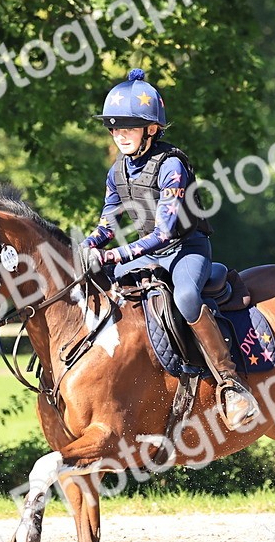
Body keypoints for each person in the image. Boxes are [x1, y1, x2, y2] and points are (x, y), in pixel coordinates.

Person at [80, 69, 257, 428]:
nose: (119, 135)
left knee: (187, 297)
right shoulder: (117, 171)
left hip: (185, 249)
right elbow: (108, 223)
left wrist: (115, 254)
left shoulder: (171, 165)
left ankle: (230, 383)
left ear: (151, 128)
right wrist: (85, 247)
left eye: (128, 126)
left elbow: (164, 232)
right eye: (114, 128)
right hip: (148, 253)